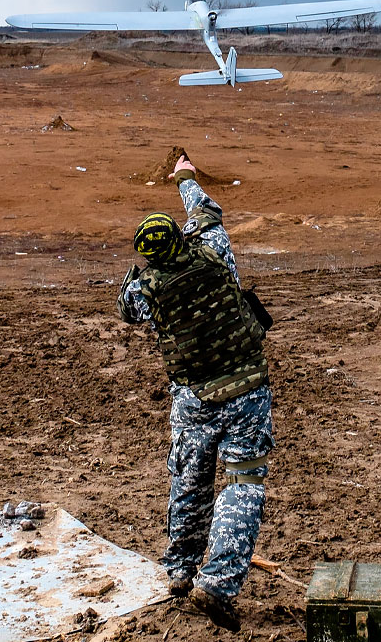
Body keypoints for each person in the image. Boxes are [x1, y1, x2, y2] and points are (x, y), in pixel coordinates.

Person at [118, 154, 273, 632]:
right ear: (181, 236)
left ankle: (180, 571)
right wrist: (184, 175)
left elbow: (128, 311)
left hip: (193, 398)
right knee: (243, 482)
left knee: (188, 478)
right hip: (246, 387)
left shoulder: (145, 288)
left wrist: (136, 273)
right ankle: (219, 583)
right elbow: (207, 212)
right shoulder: (213, 248)